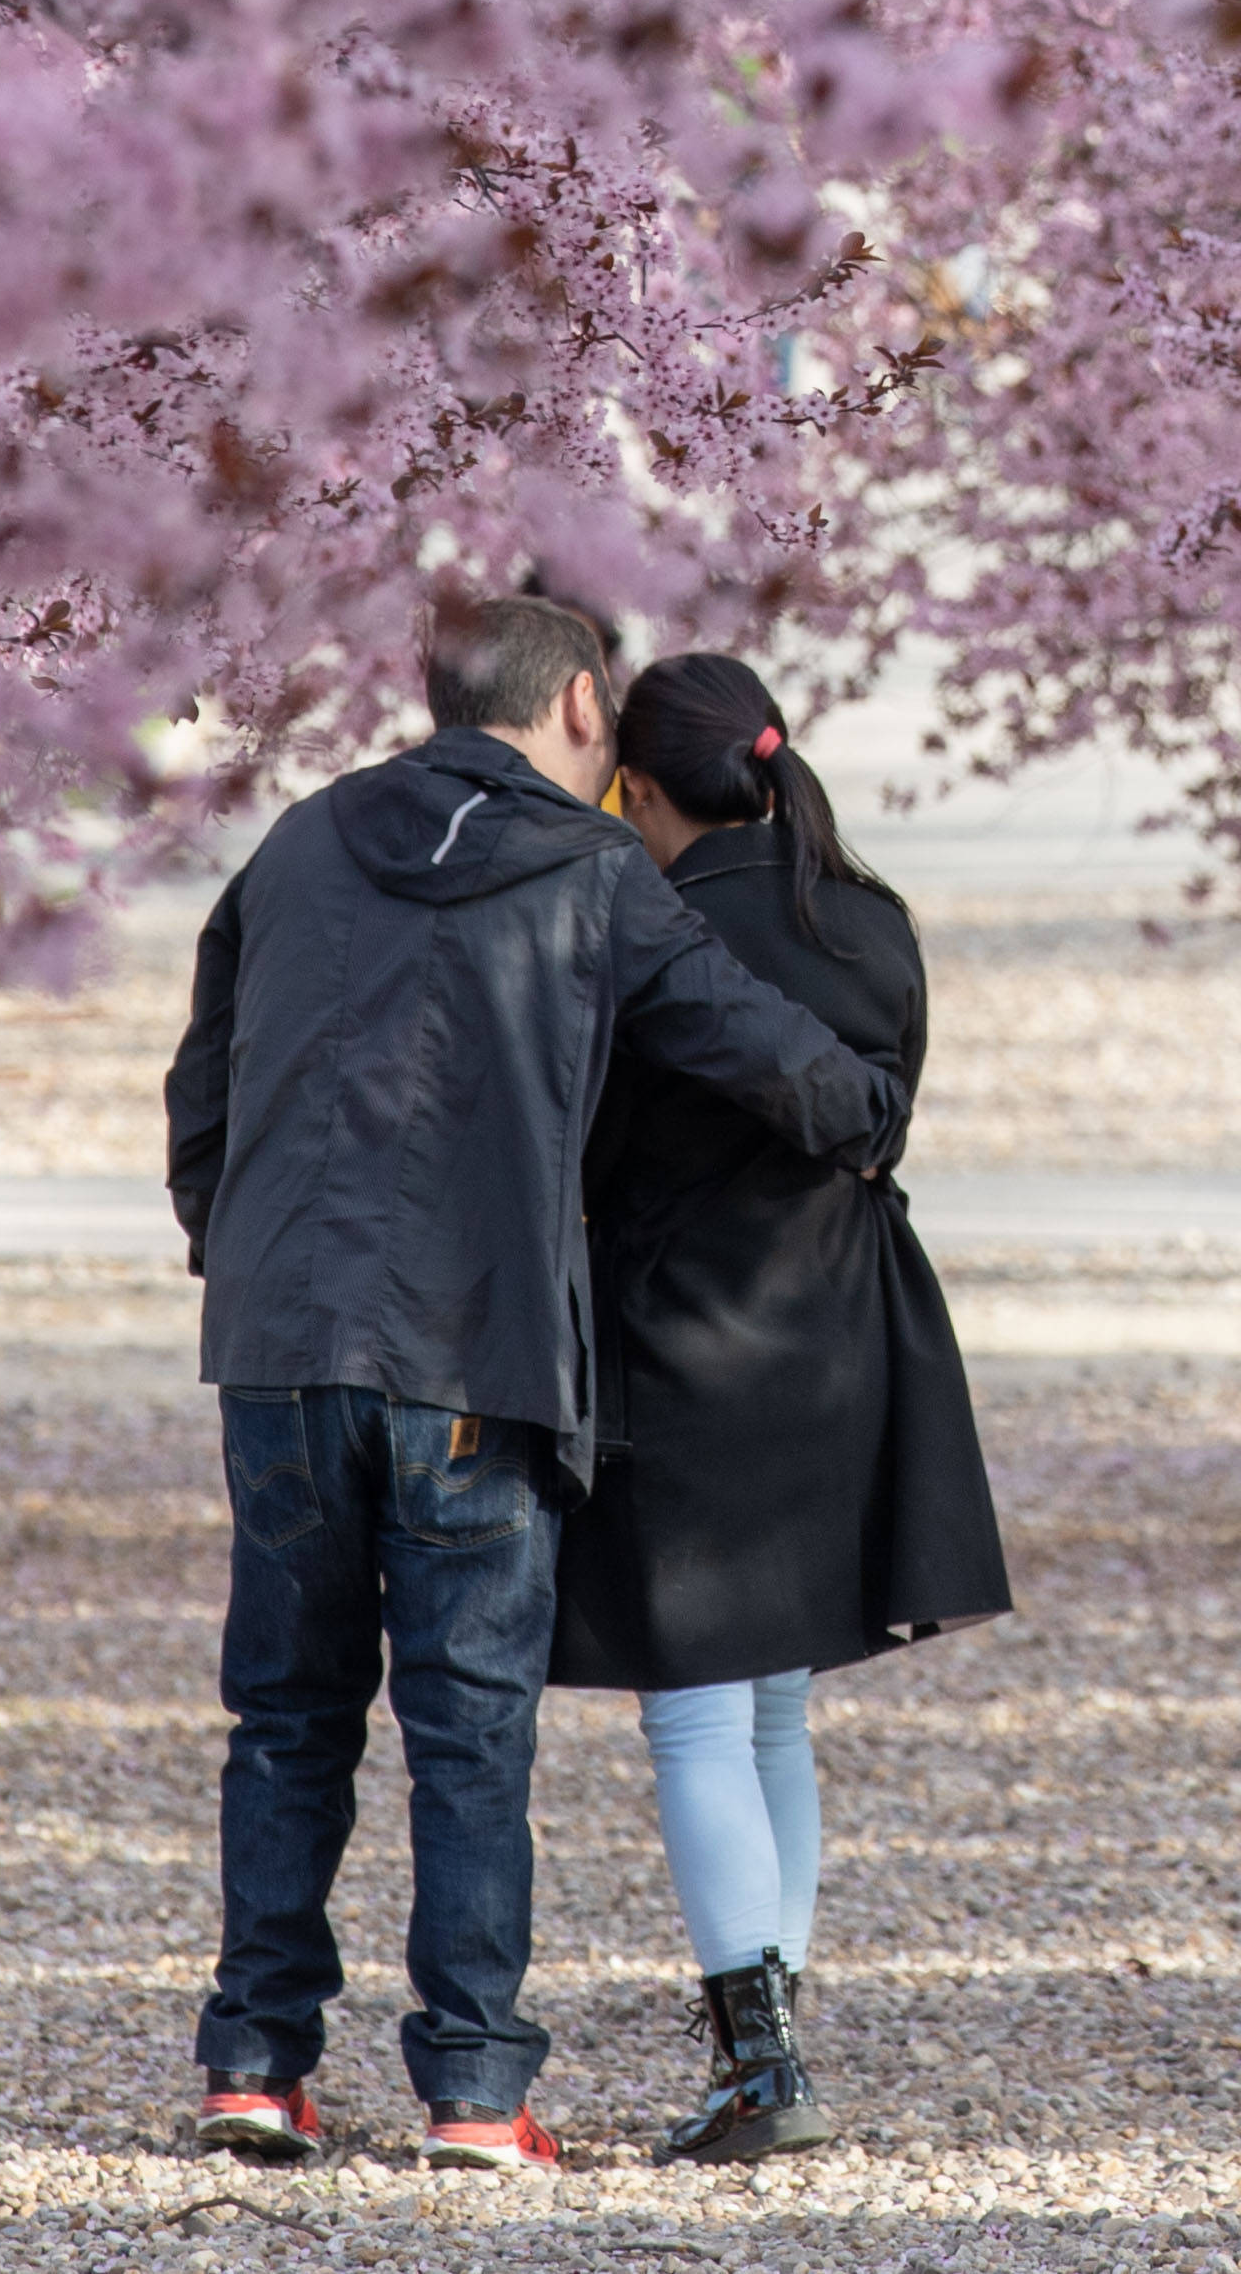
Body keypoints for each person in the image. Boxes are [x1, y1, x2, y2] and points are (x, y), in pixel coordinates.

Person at [162, 596, 904, 2180]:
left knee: (285, 1714)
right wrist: (863, 1113)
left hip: (281, 1342)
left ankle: (253, 2068)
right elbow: (754, 1043)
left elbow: (202, 1073)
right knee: (467, 1727)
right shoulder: (588, 876)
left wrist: (226, 1243)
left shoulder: (297, 841)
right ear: (578, 702)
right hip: (476, 1353)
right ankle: (475, 2096)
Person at [549, 650, 1009, 2164]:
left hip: (681, 1337)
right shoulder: (864, 915)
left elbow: (589, 1151)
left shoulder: (642, 926)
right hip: (842, 1340)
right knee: (775, 1711)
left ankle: (762, 2068)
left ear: (639, 784)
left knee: (693, 1716)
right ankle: (772, 2037)